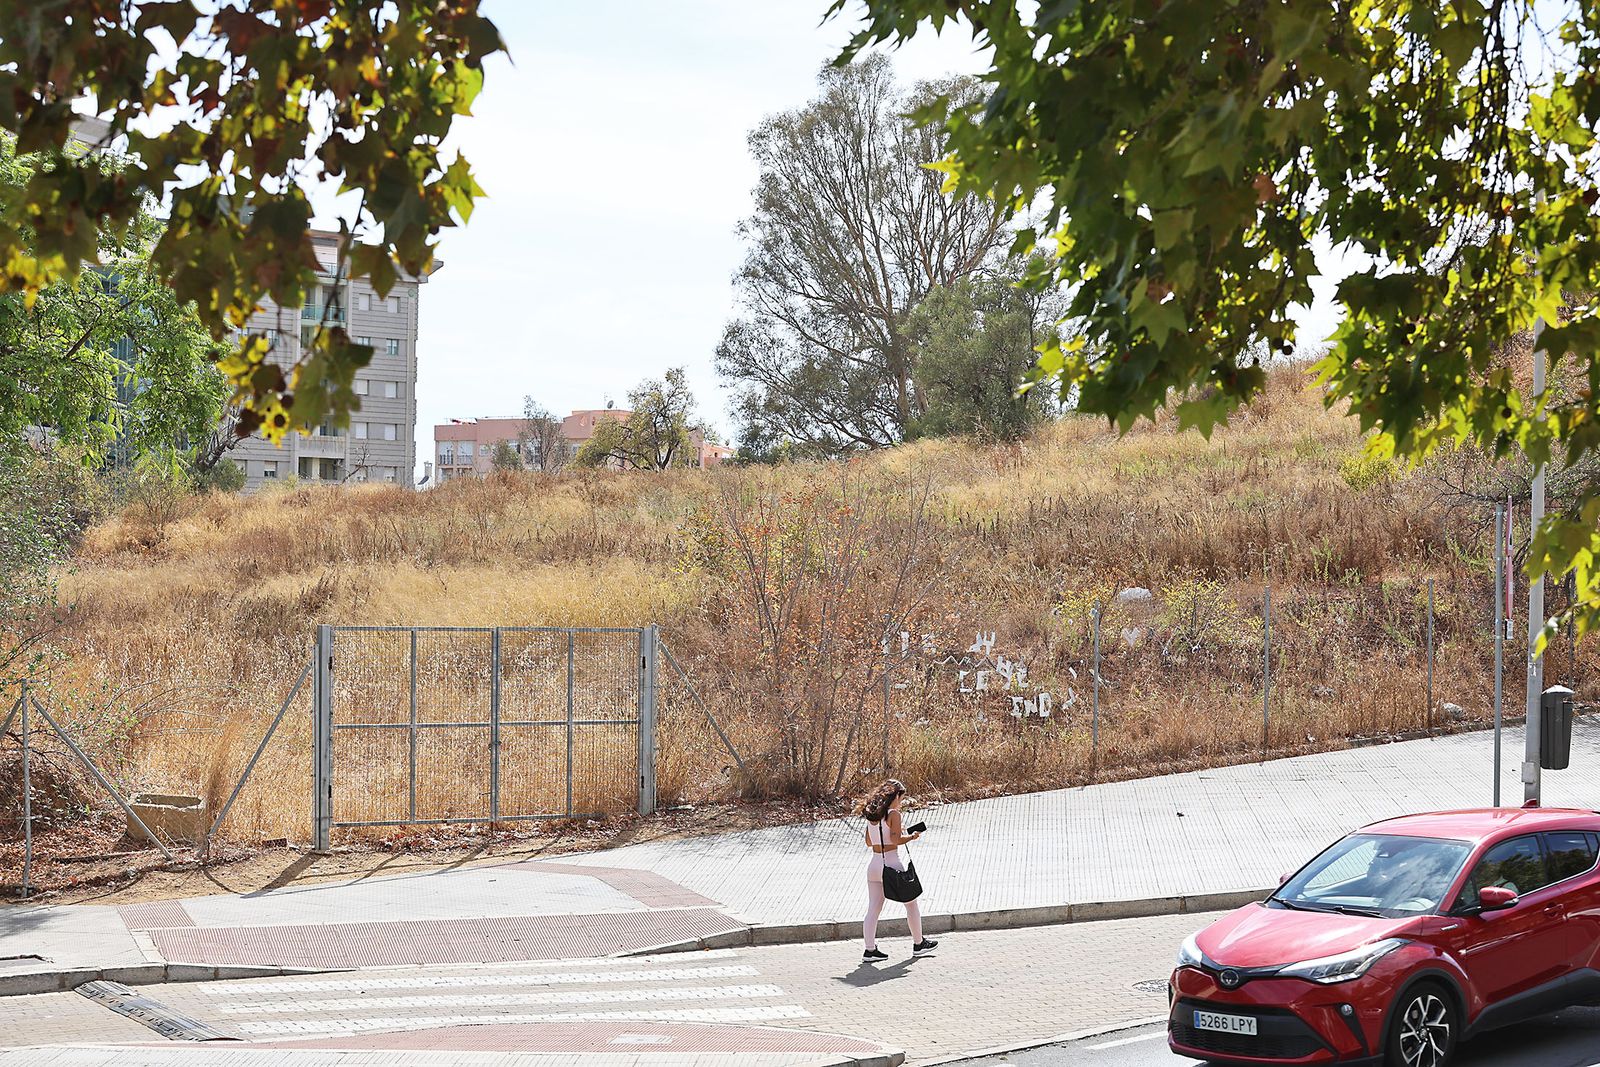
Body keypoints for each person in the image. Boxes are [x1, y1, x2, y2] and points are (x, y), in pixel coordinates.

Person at [859, 777, 938, 962]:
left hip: (874, 865)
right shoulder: (893, 814)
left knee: (873, 908)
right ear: (895, 796)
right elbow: (895, 841)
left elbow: (869, 842)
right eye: (901, 798)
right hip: (892, 863)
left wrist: (893, 833)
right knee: (911, 904)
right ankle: (919, 944)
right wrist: (910, 836)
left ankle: (869, 950)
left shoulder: (873, 814)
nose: (901, 802)